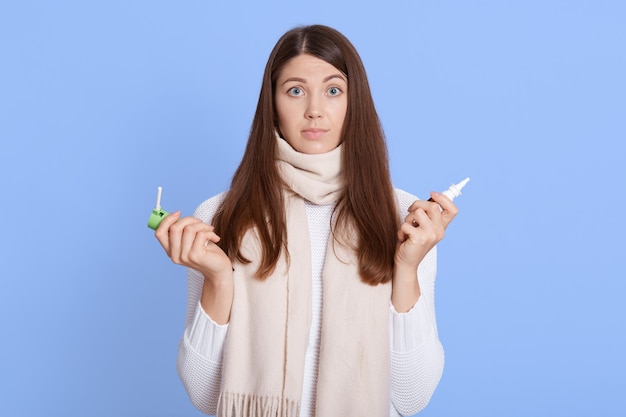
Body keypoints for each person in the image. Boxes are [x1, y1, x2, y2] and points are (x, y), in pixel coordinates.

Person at [155, 24, 458, 417]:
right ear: (273, 104)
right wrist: (219, 279)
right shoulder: (221, 215)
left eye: (333, 90)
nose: (315, 109)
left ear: (355, 103)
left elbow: (411, 397)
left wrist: (407, 268)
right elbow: (204, 394)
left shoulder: (404, 218)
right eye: (295, 90)